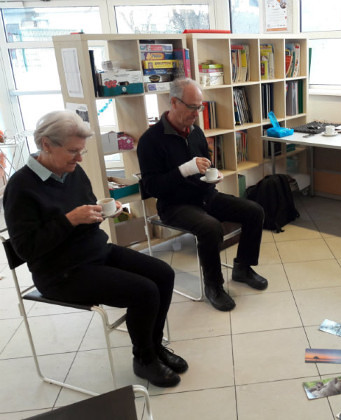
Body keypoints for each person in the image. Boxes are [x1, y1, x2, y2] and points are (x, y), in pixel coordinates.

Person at [3, 110, 187, 388]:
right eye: (73, 151)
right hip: (59, 272)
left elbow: (86, 213)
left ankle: (153, 345)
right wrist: (69, 220)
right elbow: (26, 248)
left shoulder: (73, 172)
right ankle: (145, 359)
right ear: (46, 144)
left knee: (163, 274)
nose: (79, 158)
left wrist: (100, 213)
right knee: (145, 291)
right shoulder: (20, 187)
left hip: (94, 252)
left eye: (82, 151)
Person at [137, 78, 267, 312]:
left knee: (254, 211)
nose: (197, 113)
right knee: (210, 227)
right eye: (192, 107)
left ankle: (242, 268)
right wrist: (185, 170)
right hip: (174, 205)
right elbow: (153, 187)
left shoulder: (196, 131)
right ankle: (213, 286)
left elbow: (206, 163)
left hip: (205, 195)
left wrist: (212, 175)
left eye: (200, 107)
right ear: (174, 102)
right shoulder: (150, 140)